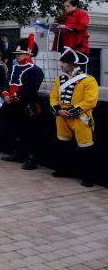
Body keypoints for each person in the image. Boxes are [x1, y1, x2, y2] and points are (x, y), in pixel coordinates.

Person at [50, 48, 99, 187]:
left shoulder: (89, 80)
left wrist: (71, 112)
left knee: (86, 148)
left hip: (80, 118)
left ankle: (89, 176)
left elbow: (90, 101)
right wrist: (58, 110)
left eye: (64, 62)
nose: (61, 65)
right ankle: (64, 169)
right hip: (61, 117)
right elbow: (53, 97)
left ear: (73, 64)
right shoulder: (59, 80)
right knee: (63, 146)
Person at [0, 36, 45, 170]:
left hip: (26, 105)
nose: (18, 56)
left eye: (21, 53)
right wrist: (6, 94)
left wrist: (14, 97)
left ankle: (32, 158)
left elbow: (30, 89)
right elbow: (6, 84)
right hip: (12, 104)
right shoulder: (13, 68)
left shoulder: (36, 70)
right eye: (17, 54)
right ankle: (17, 153)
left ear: (29, 53)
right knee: (14, 129)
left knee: (29, 132)